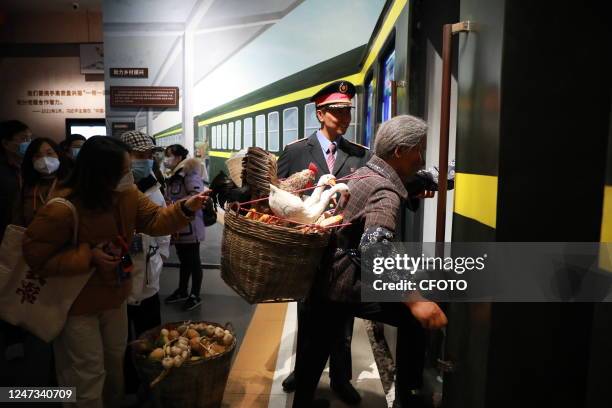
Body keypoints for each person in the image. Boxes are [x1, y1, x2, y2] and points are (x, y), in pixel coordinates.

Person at [22, 136, 210, 408]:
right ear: (101, 174)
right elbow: (35, 255)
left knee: (114, 365)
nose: (130, 175)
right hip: (76, 304)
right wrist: (89, 255)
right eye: (123, 171)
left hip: (115, 296)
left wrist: (185, 207)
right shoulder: (62, 208)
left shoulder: (127, 194)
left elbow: (154, 220)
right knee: (87, 373)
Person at [292, 115, 448, 408]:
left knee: (313, 359)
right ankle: (409, 396)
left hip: (326, 277)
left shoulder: (362, 173)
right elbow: (374, 248)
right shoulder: (385, 192)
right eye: (420, 149)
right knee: (412, 315)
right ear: (400, 151)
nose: (421, 157)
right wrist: (416, 301)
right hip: (344, 286)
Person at [278, 80, 370, 405]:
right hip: (308, 252)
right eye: (336, 111)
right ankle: (304, 371)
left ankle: (340, 378)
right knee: (308, 314)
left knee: (344, 320)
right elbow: (280, 195)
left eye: (347, 111)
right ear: (320, 113)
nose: (344, 117)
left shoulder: (359, 155)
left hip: (346, 251)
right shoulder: (295, 152)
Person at [119, 131, 170, 395]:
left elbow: (163, 225)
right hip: (118, 274)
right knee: (121, 338)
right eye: (140, 155)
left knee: (149, 332)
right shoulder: (114, 187)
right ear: (123, 157)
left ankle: (152, 382)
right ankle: (129, 382)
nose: (146, 160)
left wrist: (160, 257)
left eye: (150, 155)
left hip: (148, 274)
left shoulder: (153, 184)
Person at [163, 144, 207, 311]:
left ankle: (195, 294)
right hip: (179, 224)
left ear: (179, 157)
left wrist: (174, 204)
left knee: (194, 261)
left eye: (170, 155)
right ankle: (182, 290)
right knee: (184, 260)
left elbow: (196, 195)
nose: (167, 159)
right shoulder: (175, 174)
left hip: (191, 225)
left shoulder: (189, 173)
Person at [15, 137, 70, 226]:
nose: (44, 159)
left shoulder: (70, 183)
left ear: (58, 155)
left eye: (49, 153)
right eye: (37, 155)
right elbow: (17, 218)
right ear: (31, 160)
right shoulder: (26, 186)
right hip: (30, 236)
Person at [0, 120, 31, 240]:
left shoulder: (30, 167)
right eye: (24, 139)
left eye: (30, 139)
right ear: (6, 143)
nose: (29, 143)